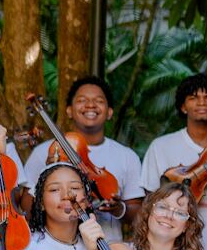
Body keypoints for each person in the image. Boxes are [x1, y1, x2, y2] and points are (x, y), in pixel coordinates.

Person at [20, 74, 146, 224]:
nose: (90, 105)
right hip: (56, 244)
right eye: (82, 100)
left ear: (109, 112)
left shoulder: (127, 156)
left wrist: (120, 209)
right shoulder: (44, 152)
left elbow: (139, 215)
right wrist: (46, 174)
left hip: (108, 244)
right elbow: (25, 211)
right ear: (69, 111)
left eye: (99, 101)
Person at [140, 73, 207, 250]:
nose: (202, 103)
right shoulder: (161, 146)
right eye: (193, 98)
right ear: (183, 106)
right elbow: (149, 201)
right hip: (173, 241)